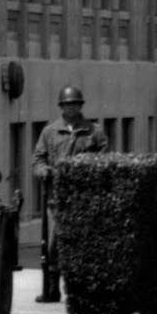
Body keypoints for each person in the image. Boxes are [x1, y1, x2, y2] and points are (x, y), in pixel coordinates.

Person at [32, 85, 109, 302]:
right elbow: (38, 159)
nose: (71, 108)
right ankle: (51, 289)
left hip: (83, 198)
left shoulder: (94, 131)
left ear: (81, 106)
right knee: (53, 244)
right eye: (67, 105)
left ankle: (79, 290)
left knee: (82, 243)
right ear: (61, 107)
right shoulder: (50, 132)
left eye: (75, 104)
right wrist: (43, 170)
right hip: (56, 198)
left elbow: (103, 160)